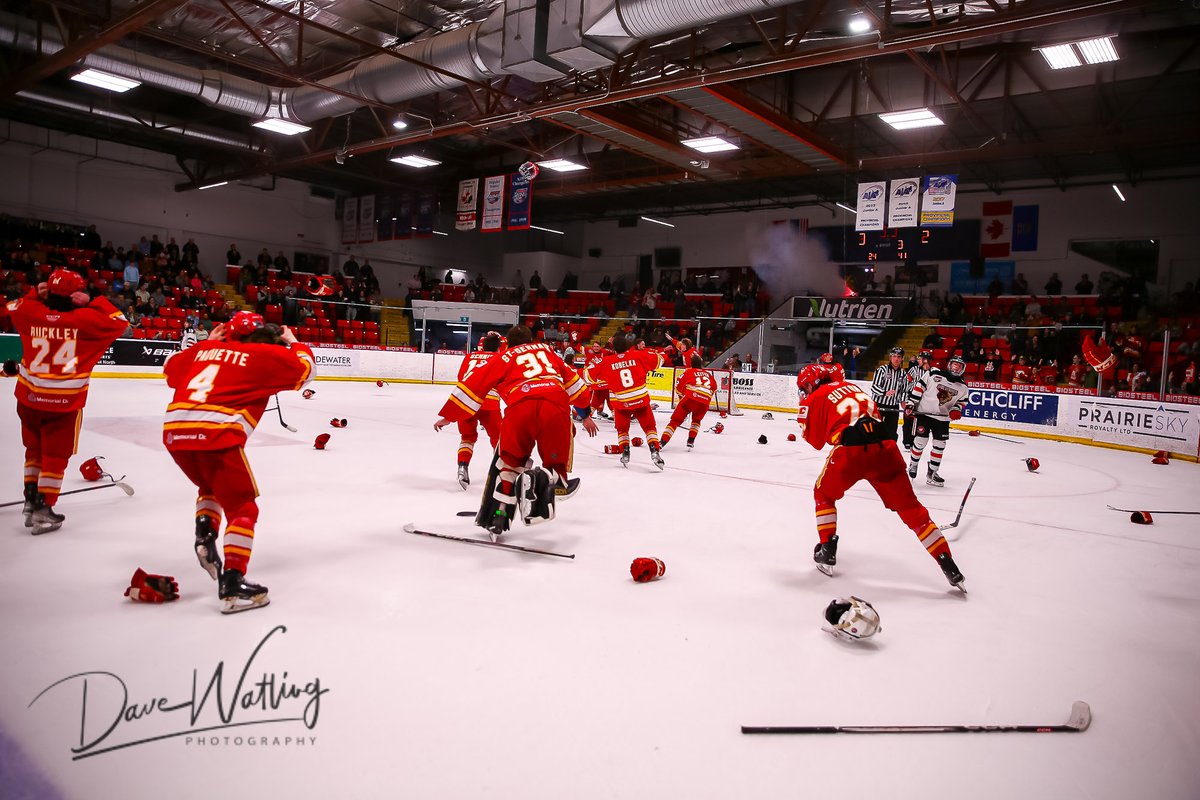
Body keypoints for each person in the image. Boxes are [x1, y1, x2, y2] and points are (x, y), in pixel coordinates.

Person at [162, 312, 315, 613]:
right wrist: (293, 341)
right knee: (242, 506)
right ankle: (232, 583)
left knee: (210, 486)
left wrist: (203, 344)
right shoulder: (262, 353)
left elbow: (169, 371)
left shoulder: (203, 351)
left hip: (174, 433)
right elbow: (306, 371)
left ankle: (204, 535)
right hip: (217, 436)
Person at [795, 363, 965, 590]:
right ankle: (948, 563)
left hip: (851, 451)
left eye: (804, 388)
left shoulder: (813, 398)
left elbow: (816, 443)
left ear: (810, 384)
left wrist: (811, 418)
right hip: (886, 448)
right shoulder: (852, 386)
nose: (803, 392)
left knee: (823, 494)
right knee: (913, 511)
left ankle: (827, 548)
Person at [435, 325, 598, 538]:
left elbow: (474, 383)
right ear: (530, 340)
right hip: (555, 405)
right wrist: (585, 414)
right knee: (555, 457)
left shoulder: (504, 357)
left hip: (521, 407)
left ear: (508, 343)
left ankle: (499, 517)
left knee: (509, 465)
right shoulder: (546, 351)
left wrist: (450, 415)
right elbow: (577, 387)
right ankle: (554, 481)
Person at [8, 269, 129, 534]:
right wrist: (93, 301)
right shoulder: (86, 320)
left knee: (34, 451)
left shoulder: (29, 312)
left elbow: (12, 306)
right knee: (55, 457)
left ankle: (30, 500)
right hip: (63, 404)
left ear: (47, 291)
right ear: (76, 295)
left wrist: (34, 293)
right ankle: (43, 508)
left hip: (27, 399)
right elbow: (120, 321)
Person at [586, 333, 666, 468]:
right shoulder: (638, 355)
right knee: (649, 428)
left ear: (614, 349)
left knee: (622, 430)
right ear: (627, 346)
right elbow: (659, 360)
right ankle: (654, 451)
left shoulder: (607, 361)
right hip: (641, 400)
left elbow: (588, 376)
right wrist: (664, 353)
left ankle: (625, 452)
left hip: (621, 402)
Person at [905, 355, 970, 486]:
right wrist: (911, 403)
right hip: (924, 414)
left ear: (963, 369)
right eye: (954, 364)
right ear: (950, 364)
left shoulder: (963, 387)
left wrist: (956, 410)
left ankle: (932, 472)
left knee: (940, 446)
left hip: (942, 418)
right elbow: (919, 387)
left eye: (959, 366)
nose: (956, 367)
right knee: (920, 441)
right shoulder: (934, 374)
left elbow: (961, 402)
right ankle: (913, 464)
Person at [661, 355, 714, 450]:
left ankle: (662, 442)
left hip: (690, 398)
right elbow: (713, 388)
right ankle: (690, 441)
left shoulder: (688, 371)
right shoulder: (709, 375)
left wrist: (682, 397)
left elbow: (678, 386)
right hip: (705, 400)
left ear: (691, 364)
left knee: (674, 421)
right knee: (696, 421)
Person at [870, 347, 907, 441]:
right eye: (894, 356)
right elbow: (874, 387)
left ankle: (889, 452)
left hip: (893, 406)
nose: (896, 359)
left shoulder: (903, 373)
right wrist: (885, 393)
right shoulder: (882, 370)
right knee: (875, 430)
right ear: (890, 357)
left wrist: (903, 401)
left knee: (891, 433)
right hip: (879, 405)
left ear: (902, 358)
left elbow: (904, 390)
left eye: (899, 356)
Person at [901, 350, 932, 448]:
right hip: (911, 398)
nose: (918, 360)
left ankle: (917, 442)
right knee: (908, 421)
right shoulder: (914, 370)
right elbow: (905, 384)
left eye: (920, 359)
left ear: (925, 360)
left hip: (924, 400)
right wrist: (904, 400)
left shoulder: (932, 372)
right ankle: (907, 441)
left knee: (921, 422)